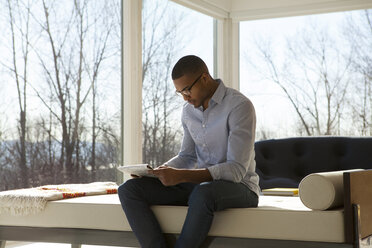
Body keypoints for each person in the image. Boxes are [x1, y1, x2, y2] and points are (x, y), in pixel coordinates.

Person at [118, 55, 260, 248]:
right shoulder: (188, 111)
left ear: (204, 78)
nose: (185, 97)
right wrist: (158, 172)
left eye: (187, 90)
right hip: (201, 186)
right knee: (129, 189)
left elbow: (236, 170)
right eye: (180, 93)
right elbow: (187, 156)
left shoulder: (239, 106)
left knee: (203, 193)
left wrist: (181, 176)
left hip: (241, 187)